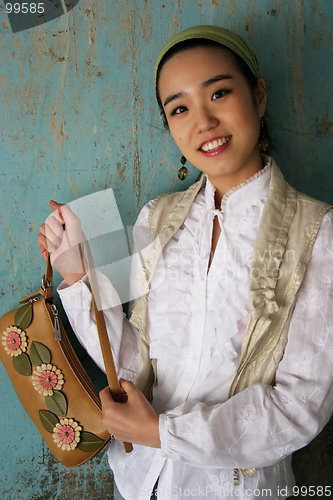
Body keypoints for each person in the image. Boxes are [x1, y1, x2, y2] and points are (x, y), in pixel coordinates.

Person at [37, 26, 333, 500]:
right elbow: (138, 365)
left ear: (258, 96)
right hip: (141, 482)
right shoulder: (158, 216)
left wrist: (163, 433)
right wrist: (75, 275)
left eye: (219, 92)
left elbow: (300, 406)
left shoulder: (319, 232)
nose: (203, 122)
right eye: (179, 108)